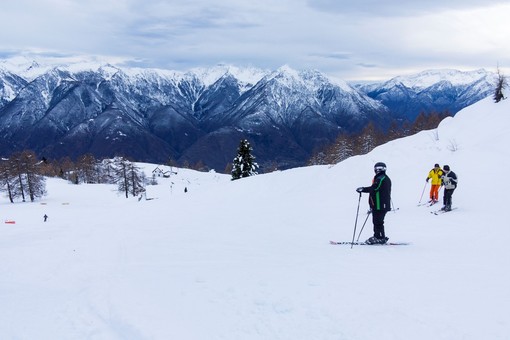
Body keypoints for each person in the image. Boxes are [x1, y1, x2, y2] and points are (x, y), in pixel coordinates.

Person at [356, 162, 392, 244]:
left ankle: (378, 237)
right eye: (376, 168)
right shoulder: (382, 177)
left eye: (379, 168)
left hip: (380, 205)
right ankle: (379, 236)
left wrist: (363, 189)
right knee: (378, 221)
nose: (377, 170)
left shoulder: (381, 178)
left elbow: (374, 188)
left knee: (377, 222)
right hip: (380, 204)